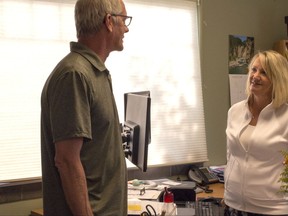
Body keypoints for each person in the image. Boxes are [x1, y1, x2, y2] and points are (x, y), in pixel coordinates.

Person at [41, 0, 132, 215]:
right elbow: (67, 161)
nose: (126, 28)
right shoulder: (75, 75)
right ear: (109, 21)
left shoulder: (95, 72)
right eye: (124, 20)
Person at [224, 50, 288, 215]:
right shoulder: (235, 111)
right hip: (233, 204)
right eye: (254, 69)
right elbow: (230, 156)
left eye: (264, 73)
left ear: (277, 79)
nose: (256, 76)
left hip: (272, 209)